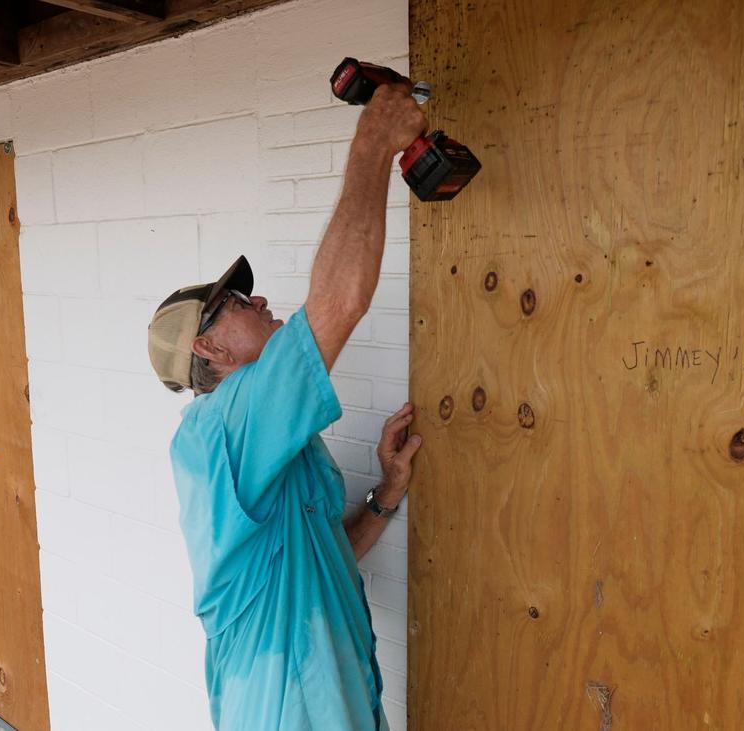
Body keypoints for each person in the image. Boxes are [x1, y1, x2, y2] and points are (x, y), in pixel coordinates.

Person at [146, 81, 427, 730]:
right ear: (209, 346)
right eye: (240, 303)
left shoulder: (272, 436)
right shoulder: (221, 425)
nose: (261, 300)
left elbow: (322, 552)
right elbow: (338, 303)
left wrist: (387, 491)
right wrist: (372, 144)